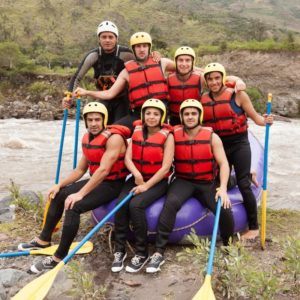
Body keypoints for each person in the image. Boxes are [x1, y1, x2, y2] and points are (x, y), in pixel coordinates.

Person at [18, 102, 130, 273]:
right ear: (85, 121)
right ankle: (43, 240)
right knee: (60, 194)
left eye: (97, 119)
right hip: (98, 181)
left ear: (104, 120)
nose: (93, 123)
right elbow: (80, 169)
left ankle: (58, 257)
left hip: (113, 184)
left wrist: (80, 194)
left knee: (73, 205)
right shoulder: (88, 137)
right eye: (90, 119)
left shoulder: (114, 139)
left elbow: (104, 170)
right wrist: (59, 185)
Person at [146, 99, 234, 274]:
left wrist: (222, 188)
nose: (190, 117)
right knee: (170, 204)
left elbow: (224, 163)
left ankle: (228, 247)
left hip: (207, 182)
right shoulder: (173, 134)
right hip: (183, 180)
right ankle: (158, 252)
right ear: (181, 117)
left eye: (194, 113)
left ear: (199, 116)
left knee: (224, 208)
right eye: (186, 114)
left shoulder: (212, 137)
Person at [201, 63, 274, 242]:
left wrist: (266, 120)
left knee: (242, 184)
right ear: (206, 82)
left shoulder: (238, 95)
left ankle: (254, 227)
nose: (214, 82)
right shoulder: (203, 99)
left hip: (240, 143)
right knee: (217, 183)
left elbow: (256, 119)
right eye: (210, 79)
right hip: (219, 146)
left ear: (223, 78)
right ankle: (248, 174)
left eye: (217, 78)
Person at [111, 99, 174, 273]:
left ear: (162, 117)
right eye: (148, 113)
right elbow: (128, 158)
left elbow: (166, 167)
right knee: (121, 205)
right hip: (138, 177)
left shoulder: (168, 137)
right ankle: (119, 250)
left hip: (158, 181)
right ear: (143, 115)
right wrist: (137, 175)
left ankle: (141, 252)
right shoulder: (137, 131)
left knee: (136, 205)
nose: (151, 117)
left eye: (155, 114)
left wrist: (146, 186)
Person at [74, 32, 176, 132]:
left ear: (149, 48)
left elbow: (185, 68)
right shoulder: (126, 72)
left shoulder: (162, 63)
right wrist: (87, 92)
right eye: (138, 46)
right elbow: (110, 93)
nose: (141, 49)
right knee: (111, 132)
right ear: (133, 49)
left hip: (160, 114)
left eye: (144, 46)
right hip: (137, 115)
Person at [65, 20, 135, 124]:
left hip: (123, 99)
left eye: (111, 37)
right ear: (99, 39)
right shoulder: (93, 55)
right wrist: (68, 97)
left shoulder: (126, 54)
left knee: (119, 130)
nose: (107, 40)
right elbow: (77, 77)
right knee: (98, 127)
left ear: (116, 39)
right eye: (104, 37)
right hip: (102, 98)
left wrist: (155, 54)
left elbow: (143, 63)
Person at [168, 46, 246, 126]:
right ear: (176, 62)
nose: (184, 64)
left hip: (195, 120)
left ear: (192, 62)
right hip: (175, 120)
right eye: (180, 60)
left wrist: (238, 81)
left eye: (188, 60)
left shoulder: (200, 78)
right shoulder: (169, 79)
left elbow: (224, 79)